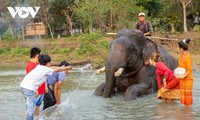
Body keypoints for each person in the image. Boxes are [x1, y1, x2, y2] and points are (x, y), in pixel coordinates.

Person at [20, 54, 72, 120]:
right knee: (31, 109)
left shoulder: (39, 66)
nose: (50, 64)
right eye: (50, 62)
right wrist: (66, 68)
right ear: (47, 63)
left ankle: (40, 117)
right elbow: (57, 70)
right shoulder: (46, 70)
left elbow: (53, 68)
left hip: (23, 86)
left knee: (31, 106)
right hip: (29, 88)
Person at [26, 47, 47, 116]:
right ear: (37, 56)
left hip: (41, 91)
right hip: (35, 92)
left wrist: (45, 86)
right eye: (40, 56)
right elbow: (31, 80)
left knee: (37, 108)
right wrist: (35, 90)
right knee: (29, 109)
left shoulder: (37, 65)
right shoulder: (31, 65)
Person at [176, 38, 194, 107]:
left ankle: (189, 114)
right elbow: (179, 66)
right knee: (184, 100)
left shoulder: (187, 57)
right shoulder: (181, 55)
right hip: (182, 79)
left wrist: (183, 76)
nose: (177, 48)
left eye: (178, 47)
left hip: (188, 80)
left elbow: (189, 70)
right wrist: (176, 73)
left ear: (181, 48)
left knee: (188, 101)